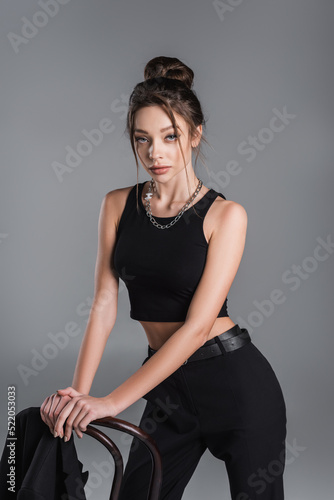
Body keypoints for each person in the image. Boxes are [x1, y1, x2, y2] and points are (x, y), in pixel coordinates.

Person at [39, 56, 287, 499]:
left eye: (170, 137)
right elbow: (103, 303)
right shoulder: (117, 205)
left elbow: (195, 329)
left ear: (194, 135)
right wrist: (79, 394)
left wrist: (113, 402)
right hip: (167, 386)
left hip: (234, 383)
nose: (155, 153)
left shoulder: (226, 215)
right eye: (143, 139)